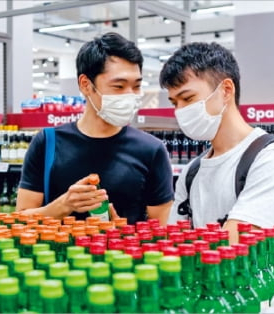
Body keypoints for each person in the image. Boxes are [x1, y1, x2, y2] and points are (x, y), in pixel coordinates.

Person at [160, 42, 274, 264]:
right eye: (174, 102)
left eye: (188, 99)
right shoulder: (192, 173)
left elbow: (235, 249)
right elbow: (174, 247)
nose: (180, 111)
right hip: (206, 295)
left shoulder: (272, 159)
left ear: (226, 91)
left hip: (261, 296)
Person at [16, 32, 174, 224]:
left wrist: (125, 234)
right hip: (58, 253)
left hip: (125, 254)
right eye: (119, 86)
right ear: (85, 85)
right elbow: (21, 219)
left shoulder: (151, 150)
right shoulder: (48, 142)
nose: (130, 95)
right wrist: (62, 206)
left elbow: (162, 228)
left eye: (136, 86)